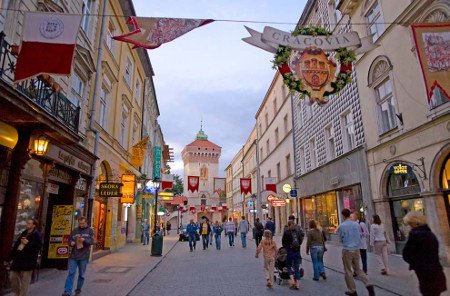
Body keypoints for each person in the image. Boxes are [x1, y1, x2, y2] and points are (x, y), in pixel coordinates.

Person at [402, 211, 447, 296]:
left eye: (409, 224)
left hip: (425, 274)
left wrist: (416, 264)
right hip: (436, 272)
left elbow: (406, 255)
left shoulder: (415, 235)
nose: (409, 227)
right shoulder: (430, 233)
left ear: (413, 223)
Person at [338, 209, 375, 296]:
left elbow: (341, 238)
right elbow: (359, 235)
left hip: (347, 249)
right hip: (356, 249)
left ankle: (352, 290)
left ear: (343, 215)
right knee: (358, 269)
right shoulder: (356, 224)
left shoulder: (342, 225)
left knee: (348, 270)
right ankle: (368, 284)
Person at [5, 218, 42, 296]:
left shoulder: (37, 235)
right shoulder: (24, 233)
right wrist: (9, 259)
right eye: (27, 223)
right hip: (18, 259)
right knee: (12, 276)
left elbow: (37, 248)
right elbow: (16, 247)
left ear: (33, 225)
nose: (27, 224)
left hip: (29, 261)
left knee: (25, 282)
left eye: (29, 223)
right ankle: (17, 292)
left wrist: (28, 244)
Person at [62, 216, 94, 296]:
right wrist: (71, 243)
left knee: (81, 275)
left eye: (83, 223)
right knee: (71, 273)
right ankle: (67, 291)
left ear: (86, 222)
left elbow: (92, 241)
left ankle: (78, 290)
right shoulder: (75, 230)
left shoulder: (90, 230)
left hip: (84, 256)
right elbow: (69, 240)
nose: (81, 225)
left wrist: (85, 240)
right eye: (80, 223)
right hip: (74, 256)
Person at [282, 220, 302, 290]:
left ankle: (293, 281)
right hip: (297, 251)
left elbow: (283, 242)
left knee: (289, 266)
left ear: (288, 225)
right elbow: (300, 241)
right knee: (296, 267)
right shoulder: (298, 232)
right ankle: (298, 284)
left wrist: (286, 248)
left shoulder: (286, 232)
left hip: (289, 251)